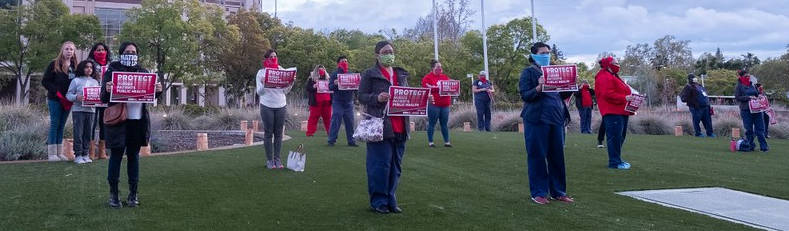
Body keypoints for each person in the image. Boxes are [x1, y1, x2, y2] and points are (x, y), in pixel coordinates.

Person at [101, 42, 163, 208]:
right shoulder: (111, 71)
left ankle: (133, 193)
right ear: (121, 53)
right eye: (127, 51)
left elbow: (152, 97)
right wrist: (107, 90)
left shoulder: (143, 72)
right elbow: (102, 98)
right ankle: (113, 194)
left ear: (137, 54)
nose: (131, 54)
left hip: (137, 121)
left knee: (133, 157)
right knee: (115, 156)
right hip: (118, 121)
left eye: (134, 51)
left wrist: (158, 90)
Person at [359, 41, 411, 214]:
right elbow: (361, 96)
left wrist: (425, 101)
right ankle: (379, 201)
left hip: (400, 126)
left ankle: (391, 199)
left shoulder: (401, 74)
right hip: (380, 126)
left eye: (391, 51)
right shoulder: (369, 74)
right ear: (377, 55)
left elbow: (409, 95)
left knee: (396, 166)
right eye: (385, 51)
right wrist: (377, 98)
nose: (389, 54)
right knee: (379, 165)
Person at [519, 42, 573, 205]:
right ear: (534, 55)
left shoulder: (555, 71)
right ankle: (539, 193)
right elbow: (526, 95)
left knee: (557, 157)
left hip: (556, 119)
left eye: (548, 52)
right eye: (542, 53)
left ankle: (558, 192)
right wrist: (540, 86)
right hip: (537, 119)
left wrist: (570, 84)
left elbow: (562, 95)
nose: (546, 55)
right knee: (537, 156)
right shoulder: (528, 72)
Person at [595, 56, 634, 169]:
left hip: (621, 110)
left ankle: (617, 159)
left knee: (620, 136)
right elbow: (607, 94)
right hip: (612, 111)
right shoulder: (604, 77)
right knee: (614, 137)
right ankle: (614, 162)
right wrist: (625, 98)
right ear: (608, 64)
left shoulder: (613, 76)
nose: (618, 65)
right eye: (616, 63)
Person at [256, 49, 292, 169]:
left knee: (278, 133)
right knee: (268, 133)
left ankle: (277, 159)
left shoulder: (282, 70)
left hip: (281, 105)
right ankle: (269, 160)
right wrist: (264, 83)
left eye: (275, 56)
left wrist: (290, 83)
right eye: (271, 57)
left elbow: (285, 91)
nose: (274, 58)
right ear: (266, 59)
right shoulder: (261, 73)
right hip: (267, 105)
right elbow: (259, 92)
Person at [42, 41, 78, 161]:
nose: (69, 51)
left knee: (61, 125)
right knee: (54, 124)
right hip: (55, 99)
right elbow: (45, 81)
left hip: (68, 100)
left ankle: (59, 153)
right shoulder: (54, 64)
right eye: (67, 49)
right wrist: (55, 90)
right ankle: (51, 154)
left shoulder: (74, 66)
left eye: (71, 49)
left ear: (74, 52)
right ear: (62, 50)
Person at [66, 60, 100, 164]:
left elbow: (98, 95)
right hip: (78, 110)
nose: (89, 69)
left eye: (91, 67)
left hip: (91, 111)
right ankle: (78, 155)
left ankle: (86, 154)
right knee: (78, 133)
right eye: (86, 67)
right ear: (82, 68)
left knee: (88, 133)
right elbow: (68, 95)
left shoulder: (95, 82)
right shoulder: (76, 81)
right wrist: (77, 97)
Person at [87, 43, 111, 160]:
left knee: (104, 123)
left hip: (106, 97)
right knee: (92, 123)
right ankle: (91, 151)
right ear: (93, 51)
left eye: (103, 50)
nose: (101, 52)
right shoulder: (89, 63)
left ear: (106, 51)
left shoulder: (111, 65)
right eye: (98, 50)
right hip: (93, 97)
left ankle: (102, 151)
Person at [327, 56, 358, 147]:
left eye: (346, 61)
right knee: (336, 120)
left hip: (349, 102)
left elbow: (355, 88)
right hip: (338, 102)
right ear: (338, 63)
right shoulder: (334, 74)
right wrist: (335, 84)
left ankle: (351, 141)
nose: (345, 62)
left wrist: (357, 86)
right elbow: (329, 87)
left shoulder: (351, 74)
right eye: (343, 61)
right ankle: (331, 140)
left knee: (350, 122)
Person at [734, 70, 768, 152]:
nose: (748, 77)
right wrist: (748, 98)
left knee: (760, 129)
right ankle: (749, 145)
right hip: (746, 110)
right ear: (741, 76)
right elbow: (737, 97)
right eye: (746, 76)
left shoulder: (752, 84)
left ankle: (764, 147)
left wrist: (760, 94)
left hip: (757, 110)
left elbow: (757, 94)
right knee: (749, 129)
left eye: (749, 76)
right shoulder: (739, 86)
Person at [421, 59, 452, 147]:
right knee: (432, 123)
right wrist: (437, 88)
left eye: (441, 67)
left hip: (445, 104)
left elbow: (450, 87)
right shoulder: (427, 78)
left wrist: (435, 87)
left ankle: (447, 142)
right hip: (434, 104)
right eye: (438, 67)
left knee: (444, 124)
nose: (440, 68)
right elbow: (426, 89)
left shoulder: (445, 77)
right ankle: (431, 142)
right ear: (433, 68)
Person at [305, 65, 333, 137]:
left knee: (328, 118)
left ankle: (330, 132)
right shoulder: (312, 79)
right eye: (319, 70)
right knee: (313, 117)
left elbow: (332, 88)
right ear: (316, 71)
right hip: (316, 101)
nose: (321, 71)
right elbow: (308, 88)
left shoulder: (328, 78)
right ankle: (310, 132)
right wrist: (314, 86)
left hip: (327, 101)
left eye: (322, 69)